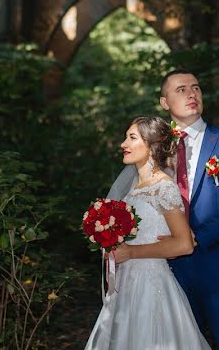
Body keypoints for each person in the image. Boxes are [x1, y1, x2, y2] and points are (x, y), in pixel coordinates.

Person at [107, 69, 219, 350]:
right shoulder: (151, 147)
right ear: (164, 102)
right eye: (181, 89)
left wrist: (197, 236)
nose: (192, 94)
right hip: (166, 272)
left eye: (196, 87)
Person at [85, 117, 211, 350]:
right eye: (126, 137)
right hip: (125, 284)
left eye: (132, 138)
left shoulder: (164, 187)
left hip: (151, 286)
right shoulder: (133, 189)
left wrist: (131, 252)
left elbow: (184, 244)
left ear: (153, 145)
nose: (123, 144)